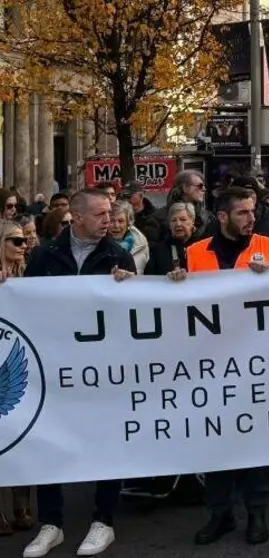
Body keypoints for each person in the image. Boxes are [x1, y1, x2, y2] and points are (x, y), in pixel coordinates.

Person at [19, 189, 137, 558]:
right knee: (48, 440)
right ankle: (50, 524)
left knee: (106, 440)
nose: (109, 220)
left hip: (103, 368)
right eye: (101, 214)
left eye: (110, 214)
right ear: (78, 216)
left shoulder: (118, 256)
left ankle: (103, 521)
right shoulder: (44, 255)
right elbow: (26, 306)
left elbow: (132, 314)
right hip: (54, 367)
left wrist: (128, 286)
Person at [172, 187, 269, 546]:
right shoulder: (193, 253)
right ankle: (220, 513)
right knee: (216, 440)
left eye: (253, 212)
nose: (251, 218)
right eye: (242, 213)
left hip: (256, 362)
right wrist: (172, 283)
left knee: (254, 441)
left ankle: (257, 512)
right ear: (222, 217)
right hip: (210, 362)